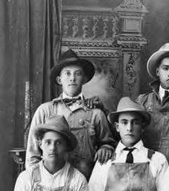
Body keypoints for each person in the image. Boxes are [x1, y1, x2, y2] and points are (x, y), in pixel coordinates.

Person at [26, 49, 116, 179]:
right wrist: (37, 183)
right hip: (52, 183)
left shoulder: (96, 114)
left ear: (84, 79)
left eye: (77, 74)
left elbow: (108, 143)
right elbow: (32, 156)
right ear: (59, 79)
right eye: (67, 73)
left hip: (86, 182)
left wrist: (106, 148)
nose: (72, 78)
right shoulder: (45, 111)